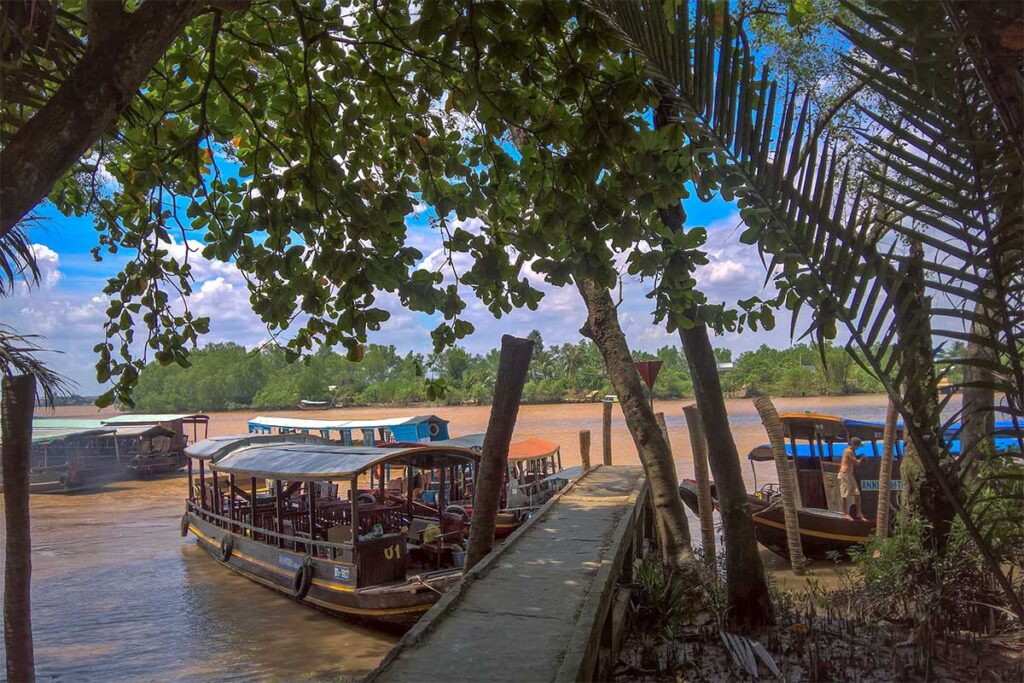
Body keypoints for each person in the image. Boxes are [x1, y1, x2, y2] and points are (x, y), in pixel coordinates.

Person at [839, 436, 868, 521]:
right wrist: (862, 458)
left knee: (857, 493)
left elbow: (854, 459)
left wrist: (861, 456)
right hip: (844, 474)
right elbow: (856, 463)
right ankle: (845, 514)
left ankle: (859, 513)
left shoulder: (852, 451)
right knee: (844, 494)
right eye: (858, 446)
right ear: (855, 445)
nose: (858, 448)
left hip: (850, 475)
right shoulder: (848, 451)